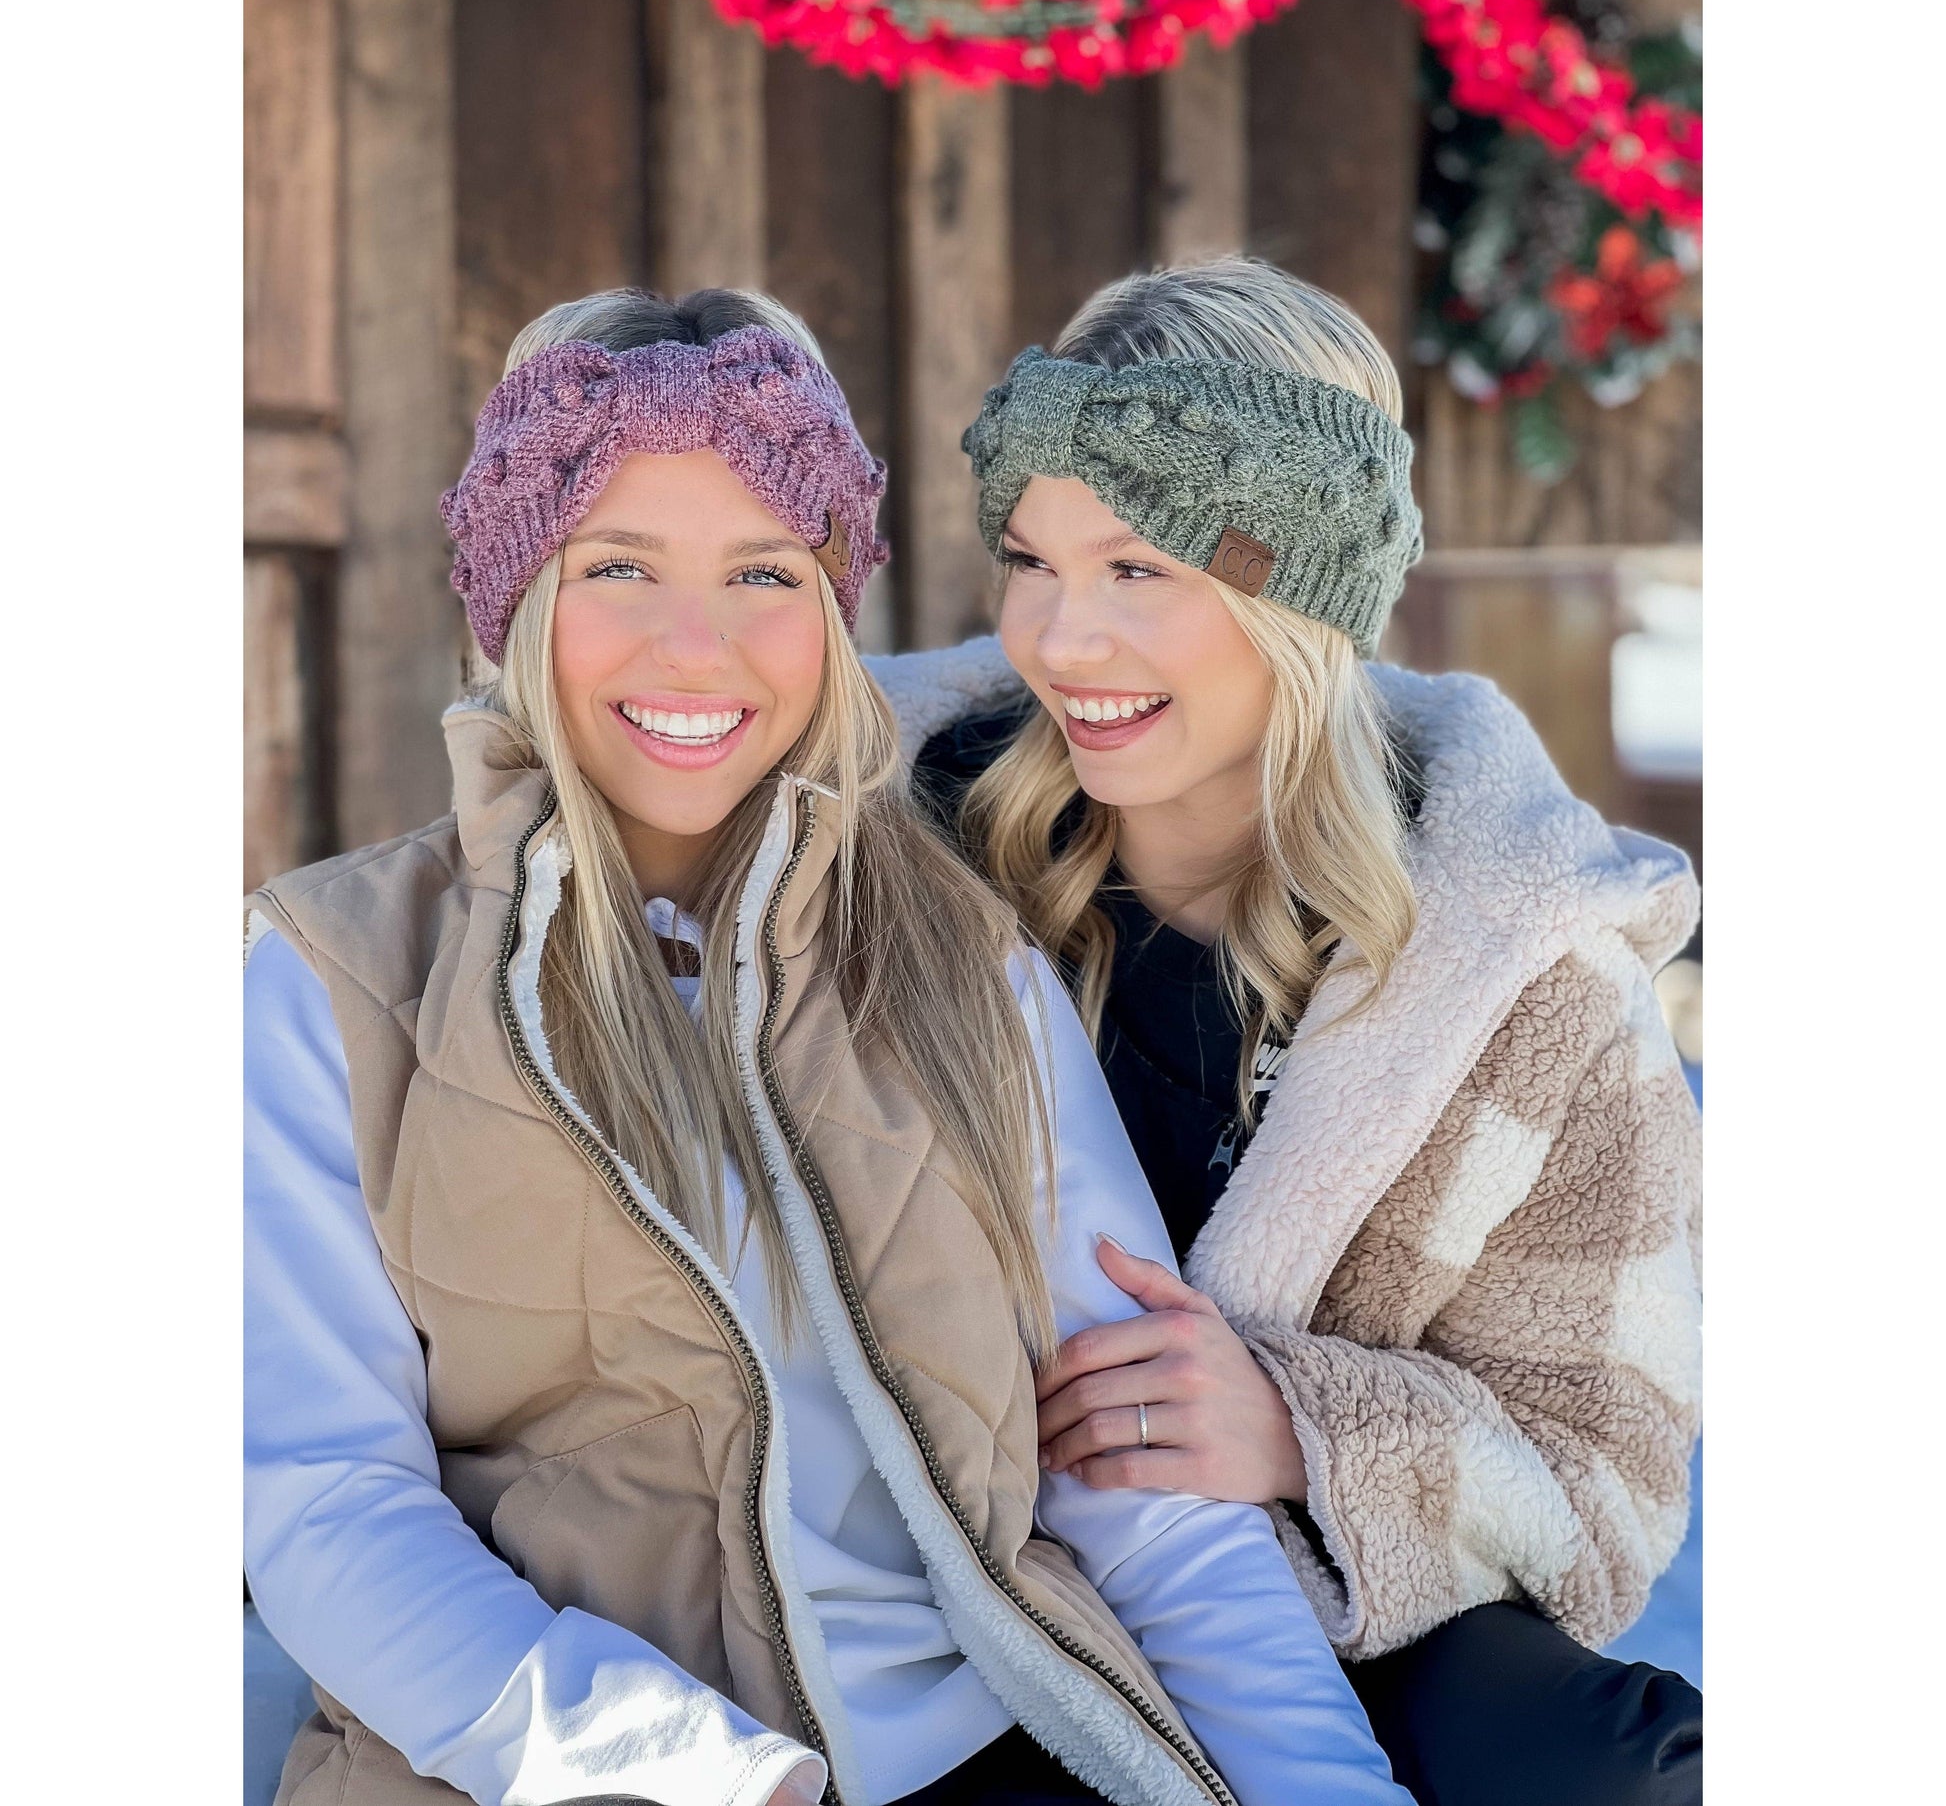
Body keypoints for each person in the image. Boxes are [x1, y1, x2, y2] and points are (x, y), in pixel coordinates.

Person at [243, 286, 1417, 1806]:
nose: (696, 646)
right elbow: (324, 1503)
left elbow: (1138, 1492)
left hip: (998, 1747)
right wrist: (708, 1780)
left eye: (761, 572)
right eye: (617, 566)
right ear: (517, 599)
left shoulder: (953, 955)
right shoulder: (333, 976)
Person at [886, 257, 1704, 1806]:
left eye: (1138, 569)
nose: (1061, 640)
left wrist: (1300, 1429)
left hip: (1350, 1613)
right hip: (974, 1587)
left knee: (1620, 1766)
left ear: (1295, 587)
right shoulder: (899, 861)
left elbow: (1604, 1478)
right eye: (1029, 560)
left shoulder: (1527, 977)